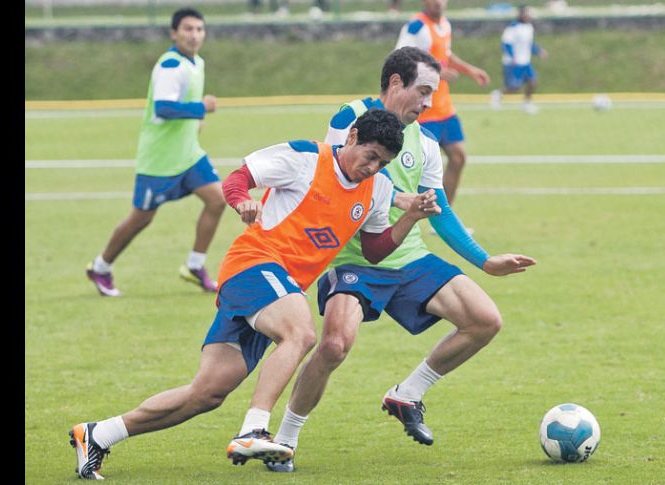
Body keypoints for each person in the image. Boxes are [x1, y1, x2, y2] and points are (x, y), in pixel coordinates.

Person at [68, 109, 442, 480]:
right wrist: (241, 199)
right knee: (302, 333)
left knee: (207, 393)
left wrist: (409, 218)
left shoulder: (377, 189)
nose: (373, 167)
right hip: (254, 265)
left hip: (279, 289)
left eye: (383, 163)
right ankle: (253, 431)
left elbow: (374, 250)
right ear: (353, 136)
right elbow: (239, 177)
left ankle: (99, 434)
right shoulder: (305, 157)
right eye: (371, 156)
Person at [266, 46, 536, 473]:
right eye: (424, 91)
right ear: (395, 84)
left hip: (408, 256)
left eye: (433, 93)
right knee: (334, 345)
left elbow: (440, 211)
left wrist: (485, 261)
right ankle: (285, 439)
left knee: (486, 319)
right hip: (355, 258)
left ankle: (407, 394)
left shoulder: (427, 142)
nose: (429, 103)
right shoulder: (351, 116)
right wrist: (402, 198)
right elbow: (347, 176)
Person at [85, 8, 226, 297]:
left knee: (217, 200)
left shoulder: (196, 62)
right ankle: (100, 267)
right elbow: (163, 107)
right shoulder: (170, 66)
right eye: (188, 29)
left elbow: (180, 104)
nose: (194, 35)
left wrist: (195, 122)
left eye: (199, 29)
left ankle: (194, 265)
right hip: (160, 161)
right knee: (142, 218)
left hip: (188, 155)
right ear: (174, 33)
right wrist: (201, 108)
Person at [395, 0, 491, 206]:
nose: (437, 2)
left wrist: (470, 70)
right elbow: (400, 58)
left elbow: (445, 55)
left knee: (458, 158)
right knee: (413, 171)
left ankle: (444, 214)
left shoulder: (445, 24)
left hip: (445, 108)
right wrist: (434, 70)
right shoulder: (417, 27)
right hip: (423, 110)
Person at [490, 5, 548, 114]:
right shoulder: (512, 27)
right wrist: (513, 57)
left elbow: (529, 44)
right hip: (513, 63)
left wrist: (539, 51)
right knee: (514, 87)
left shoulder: (529, 27)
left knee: (532, 81)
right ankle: (498, 94)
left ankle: (527, 103)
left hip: (525, 61)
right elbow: (506, 44)